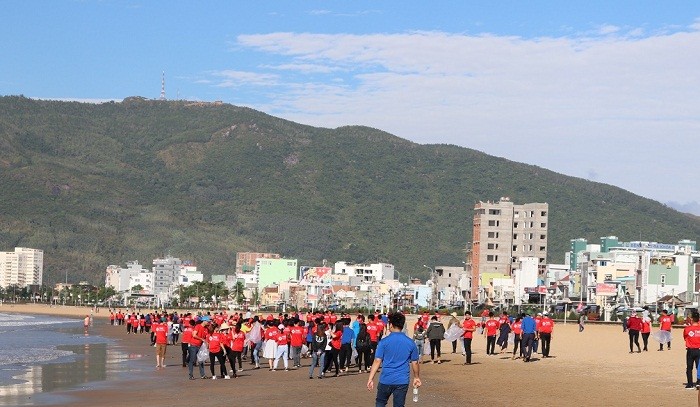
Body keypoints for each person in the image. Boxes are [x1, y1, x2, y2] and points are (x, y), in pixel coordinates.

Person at [367, 313, 421, 407]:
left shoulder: (384, 342)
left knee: (380, 403)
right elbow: (415, 362)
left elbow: (377, 361)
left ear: (391, 325)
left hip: (386, 379)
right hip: (402, 380)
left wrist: (370, 378)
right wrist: (416, 377)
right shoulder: (410, 343)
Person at [683, 311, 700, 389]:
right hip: (699, 350)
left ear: (692, 319)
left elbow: (685, 337)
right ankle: (698, 382)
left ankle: (690, 384)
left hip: (690, 350)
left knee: (689, 367)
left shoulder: (687, 329)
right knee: (698, 367)